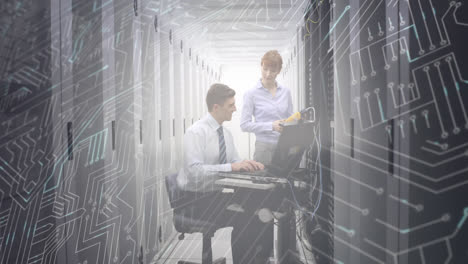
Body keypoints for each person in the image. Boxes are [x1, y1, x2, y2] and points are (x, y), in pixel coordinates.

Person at [177, 83, 272, 264]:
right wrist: (231, 167)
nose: (235, 109)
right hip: (195, 201)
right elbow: (194, 172)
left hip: (214, 196)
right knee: (247, 216)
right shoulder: (196, 132)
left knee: (261, 208)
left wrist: (248, 164)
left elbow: (235, 162)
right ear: (216, 107)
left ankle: (261, 259)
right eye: (231, 105)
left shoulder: (225, 133)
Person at [240, 50, 294, 165]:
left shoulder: (286, 92)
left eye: (273, 71)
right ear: (261, 66)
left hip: (284, 146)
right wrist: (271, 126)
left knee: (284, 182)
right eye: (265, 69)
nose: (268, 74)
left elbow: (291, 119)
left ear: (279, 71)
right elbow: (244, 125)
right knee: (263, 181)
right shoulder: (251, 94)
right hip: (263, 148)